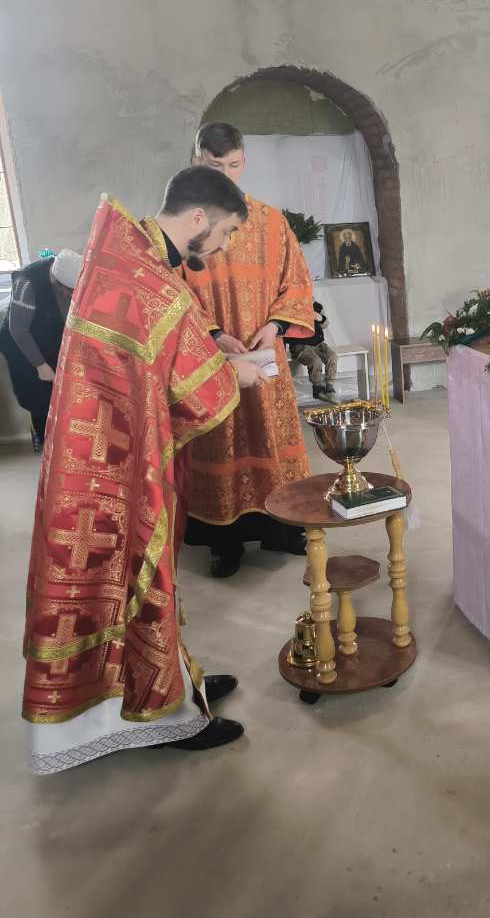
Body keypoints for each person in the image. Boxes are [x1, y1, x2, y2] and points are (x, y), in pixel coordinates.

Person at [22, 167, 264, 774]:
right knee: (129, 577)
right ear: (199, 218)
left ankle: (173, 674)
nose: (225, 246)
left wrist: (212, 348)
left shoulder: (128, 256)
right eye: (226, 232)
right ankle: (156, 715)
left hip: (103, 452)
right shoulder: (145, 276)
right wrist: (235, 374)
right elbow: (191, 384)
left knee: (140, 578)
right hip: (109, 466)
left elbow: (157, 354)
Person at [183, 122, 315, 579]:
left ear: (244, 162)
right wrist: (214, 333)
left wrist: (275, 326)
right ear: (196, 160)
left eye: (233, 165)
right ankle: (226, 541)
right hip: (211, 357)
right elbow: (173, 294)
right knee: (222, 441)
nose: (225, 174)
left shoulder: (272, 222)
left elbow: (296, 282)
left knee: (271, 438)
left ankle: (283, 530)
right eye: (213, 165)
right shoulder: (184, 226)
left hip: (264, 353)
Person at [0, 249, 83, 450]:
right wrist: (40, 365)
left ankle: (61, 439)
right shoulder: (27, 281)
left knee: (61, 394)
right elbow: (18, 329)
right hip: (19, 345)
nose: (71, 294)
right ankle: (42, 438)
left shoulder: (71, 268)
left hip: (45, 335)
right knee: (38, 397)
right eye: (68, 291)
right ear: (56, 281)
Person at [288, 300, 339, 403]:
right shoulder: (291, 305)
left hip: (318, 343)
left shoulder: (317, 306)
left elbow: (325, 325)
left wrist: (320, 318)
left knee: (332, 356)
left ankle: (329, 386)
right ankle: (317, 388)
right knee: (315, 361)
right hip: (300, 344)